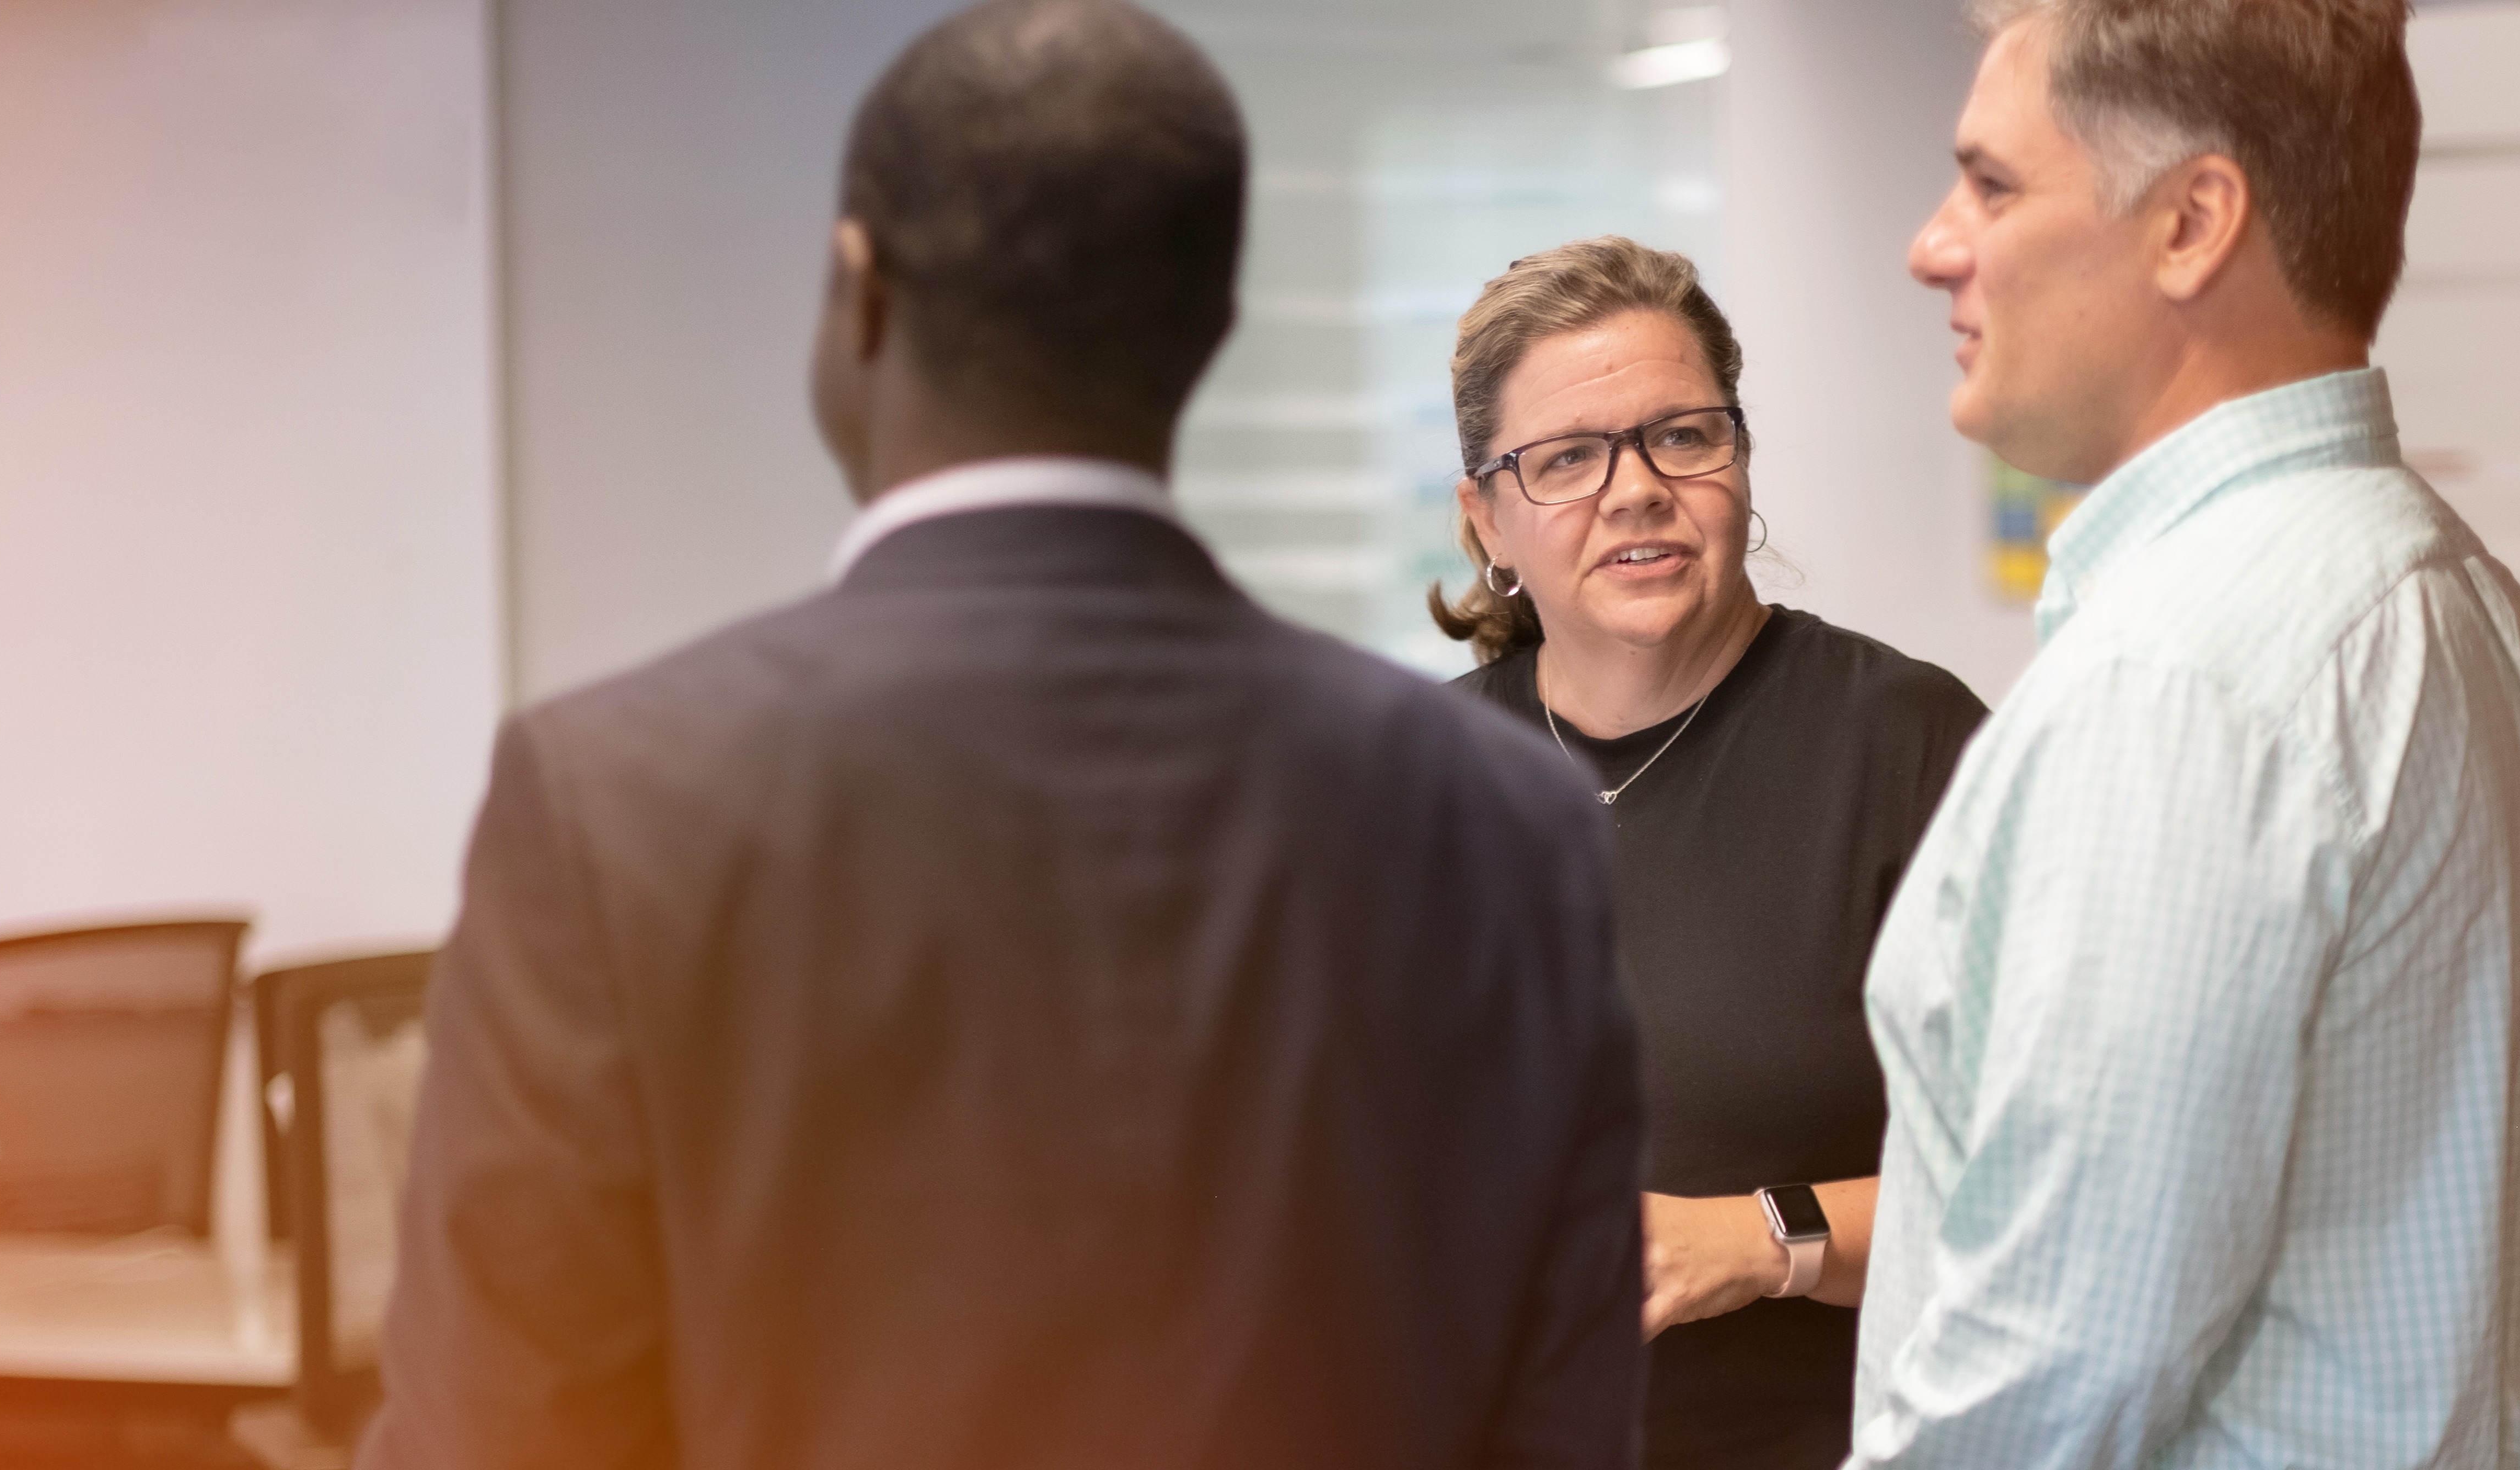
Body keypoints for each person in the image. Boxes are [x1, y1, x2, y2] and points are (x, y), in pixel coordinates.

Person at [360, 6, 1646, 1467]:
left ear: (859, 297)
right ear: (1213, 328)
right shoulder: (1508, 826)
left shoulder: (613, 803)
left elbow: (500, 1435)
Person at [1850, 0, 2520, 1466]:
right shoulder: (2459, 600)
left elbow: (2052, 1363)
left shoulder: (2183, 682)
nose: (1933, 246)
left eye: (1991, 185)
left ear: (2193, 224)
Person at [1432, 236, 1989, 1470]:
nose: (1634, 488)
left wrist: (1758, 1242)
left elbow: (2057, 1195)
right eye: (1567, 459)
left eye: (1681, 435)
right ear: (1488, 520)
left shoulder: (1910, 747)